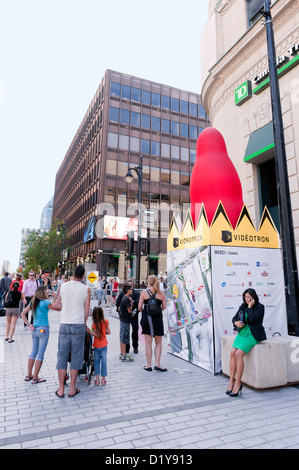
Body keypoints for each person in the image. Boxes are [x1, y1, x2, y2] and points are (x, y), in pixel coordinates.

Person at [56, 265, 91, 398]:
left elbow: (59, 302)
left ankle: (60, 389)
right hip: (78, 324)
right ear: (83, 276)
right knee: (77, 356)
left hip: (64, 323)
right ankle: (72, 388)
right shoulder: (86, 289)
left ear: (73, 274)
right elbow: (87, 311)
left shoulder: (64, 286)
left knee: (62, 355)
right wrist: (83, 322)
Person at [227, 288, 266, 397]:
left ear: (254, 297)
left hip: (252, 334)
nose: (247, 299)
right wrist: (236, 323)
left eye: (249, 297)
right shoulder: (242, 306)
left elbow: (253, 319)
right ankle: (231, 381)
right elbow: (234, 318)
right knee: (232, 353)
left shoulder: (260, 307)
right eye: (245, 297)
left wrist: (250, 307)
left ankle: (238, 383)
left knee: (238, 354)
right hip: (242, 332)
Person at [21, 285, 62, 383]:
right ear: (43, 293)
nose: (48, 292)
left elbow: (22, 314)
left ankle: (29, 375)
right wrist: (59, 296)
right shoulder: (45, 302)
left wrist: (28, 325)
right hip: (43, 330)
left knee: (33, 352)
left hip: (34, 330)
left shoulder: (33, 302)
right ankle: (35, 378)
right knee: (40, 355)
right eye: (46, 291)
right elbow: (58, 308)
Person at [138, 275, 167, 372]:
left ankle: (148, 365)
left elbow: (139, 306)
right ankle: (158, 364)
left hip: (147, 318)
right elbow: (164, 307)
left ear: (149, 282)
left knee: (148, 343)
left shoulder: (144, 292)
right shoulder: (161, 293)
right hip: (158, 318)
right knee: (158, 342)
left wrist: (144, 311)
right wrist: (157, 311)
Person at [87, 306, 110, 386]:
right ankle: (103, 379)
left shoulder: (94, 324)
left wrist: (90, 331)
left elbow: (96, 335)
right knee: (104, 361)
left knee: (96, 362)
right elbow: (109, 332)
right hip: (104, 345)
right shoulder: (106, 321)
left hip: (96, 346)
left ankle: (97, 379)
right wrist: (103, 333)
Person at [116, 279, 140, 354]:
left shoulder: (136, 293)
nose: (130, 287)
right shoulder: (123, 294)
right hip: (125, 317)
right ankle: (126, 349)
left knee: (135, 331)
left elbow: (139, 302)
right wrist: (120, 312)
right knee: (125, 333)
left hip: (134, 315)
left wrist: (133, 302)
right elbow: (118, 303)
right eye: (128, 285)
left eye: (131, 285)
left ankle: (135, 347)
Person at [119, 284, 134, 362]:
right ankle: (124, 355)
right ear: (128, 290)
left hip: (122, 320)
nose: (132, 291)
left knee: (122, 338)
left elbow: (119, 308)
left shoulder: (123, 298)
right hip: (125, 321)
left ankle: (122, 353)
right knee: (125, 338)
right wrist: (131, 303)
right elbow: (129, 310)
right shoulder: (127, 299)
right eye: (131, 289)